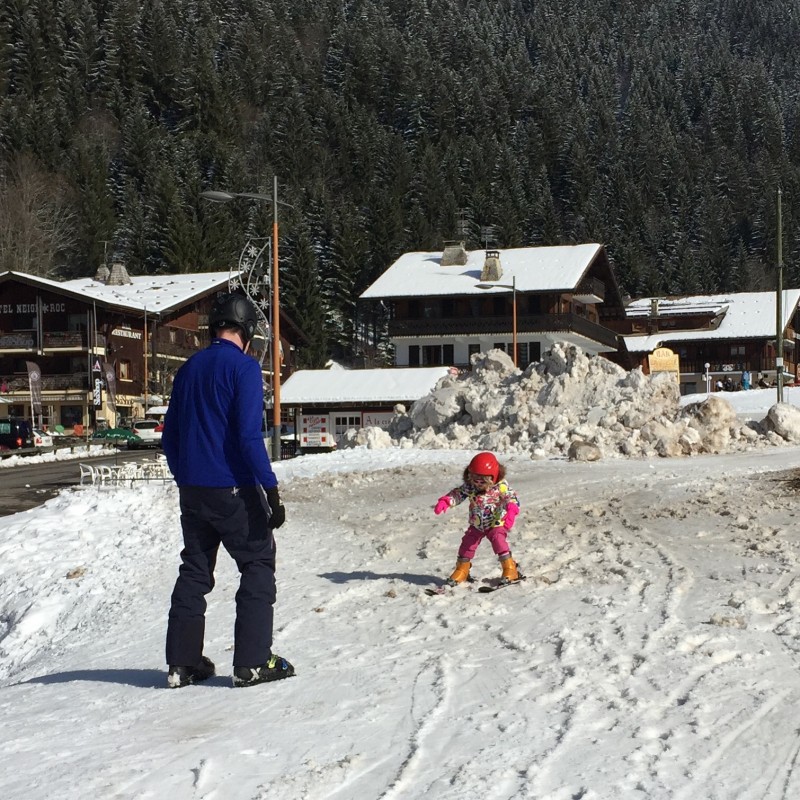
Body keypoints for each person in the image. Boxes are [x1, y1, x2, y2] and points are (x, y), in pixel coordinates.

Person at [162, 291, 294, 689]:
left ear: (212, 329)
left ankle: (182, 665)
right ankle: (253, 662)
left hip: (193, 489)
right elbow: (248, 437)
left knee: (195, 570)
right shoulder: (245, 368)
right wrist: (270, 491)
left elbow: (169, 437)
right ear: (247, 333)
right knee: (256, 563)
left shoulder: (188, 369)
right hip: (233, 488)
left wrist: (184, 477)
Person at [434, 452, 521, 586]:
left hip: (495, 522)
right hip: (477, 524)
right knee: (467, 544)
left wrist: (511, 509)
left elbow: (510, 497)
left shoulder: (500, 487)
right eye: (475, 480)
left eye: (483, 481)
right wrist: (446, 501)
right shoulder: (470, 486)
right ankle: (462, 569)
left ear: (493, 477)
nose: (478, 484)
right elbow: (458, 494)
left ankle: (510, 568)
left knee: (499, 542)